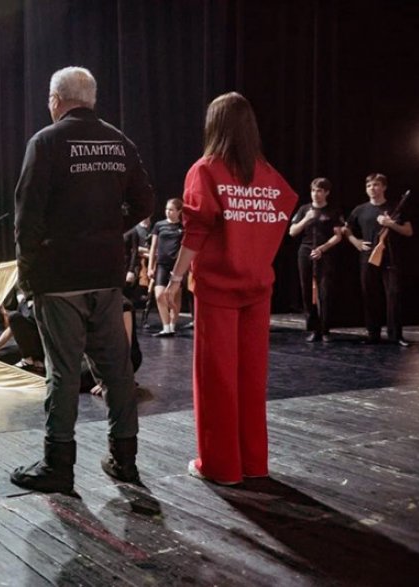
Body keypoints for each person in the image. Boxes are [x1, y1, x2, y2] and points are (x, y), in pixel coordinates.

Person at [11, 66, 154, 494]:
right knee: (118, 372)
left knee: (62, 372)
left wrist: (27, 279)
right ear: (91, 100)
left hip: (59, 280)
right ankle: (124, 460)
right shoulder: (119, 141)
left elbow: (26, 220)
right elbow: (144, 202)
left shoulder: (46, 142)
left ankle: (58, 464)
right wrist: (108, 230)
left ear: (56, 101)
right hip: (106, 278)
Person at [164, 92, 297, 485]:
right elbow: (284, 209)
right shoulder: (268, 175)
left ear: (214, 126)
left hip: (218, 290)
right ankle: (254, 462)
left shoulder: (205, 170)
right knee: (252, 379)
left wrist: (175, 279)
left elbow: (195, 232)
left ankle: (221, 466)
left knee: (217, 379)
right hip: (258, 287)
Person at [345, 173, 412, 346]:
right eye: (369, 186)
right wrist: (356, 242)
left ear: (384, 187)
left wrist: (390, 224)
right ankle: (373, 334)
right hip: (368, 257)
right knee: (370, 295)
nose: (372, 189)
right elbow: (346, 229)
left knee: (393, 295)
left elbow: (408, 231)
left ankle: (395, 335)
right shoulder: (360, 209)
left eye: (376, 185)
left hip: (391, 257)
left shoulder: (394, 208)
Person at [289, 177, 344, 342]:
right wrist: (306, 219)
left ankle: (325, 329)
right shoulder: (304, 209)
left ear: (326, 192)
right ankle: (314, 328)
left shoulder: (333, 211)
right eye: (313, 190)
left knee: (325, 291)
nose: (315, 194)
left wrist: (322, 249)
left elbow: (338, 236)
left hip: (325, 252)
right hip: (305, 251)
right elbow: (292, 231)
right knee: (307, 291)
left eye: (319, 191)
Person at [148, 199, 185, 336]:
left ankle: (172, 326)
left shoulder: (183, 227)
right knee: (159, 295)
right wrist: (151, 266)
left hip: (176, 265)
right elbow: (153, 247)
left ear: (179, 211)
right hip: (161, 264)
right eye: (166, 209)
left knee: (174, 297)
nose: (168, 212)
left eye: (171, 210)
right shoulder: (159, 225)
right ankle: (166, 325)